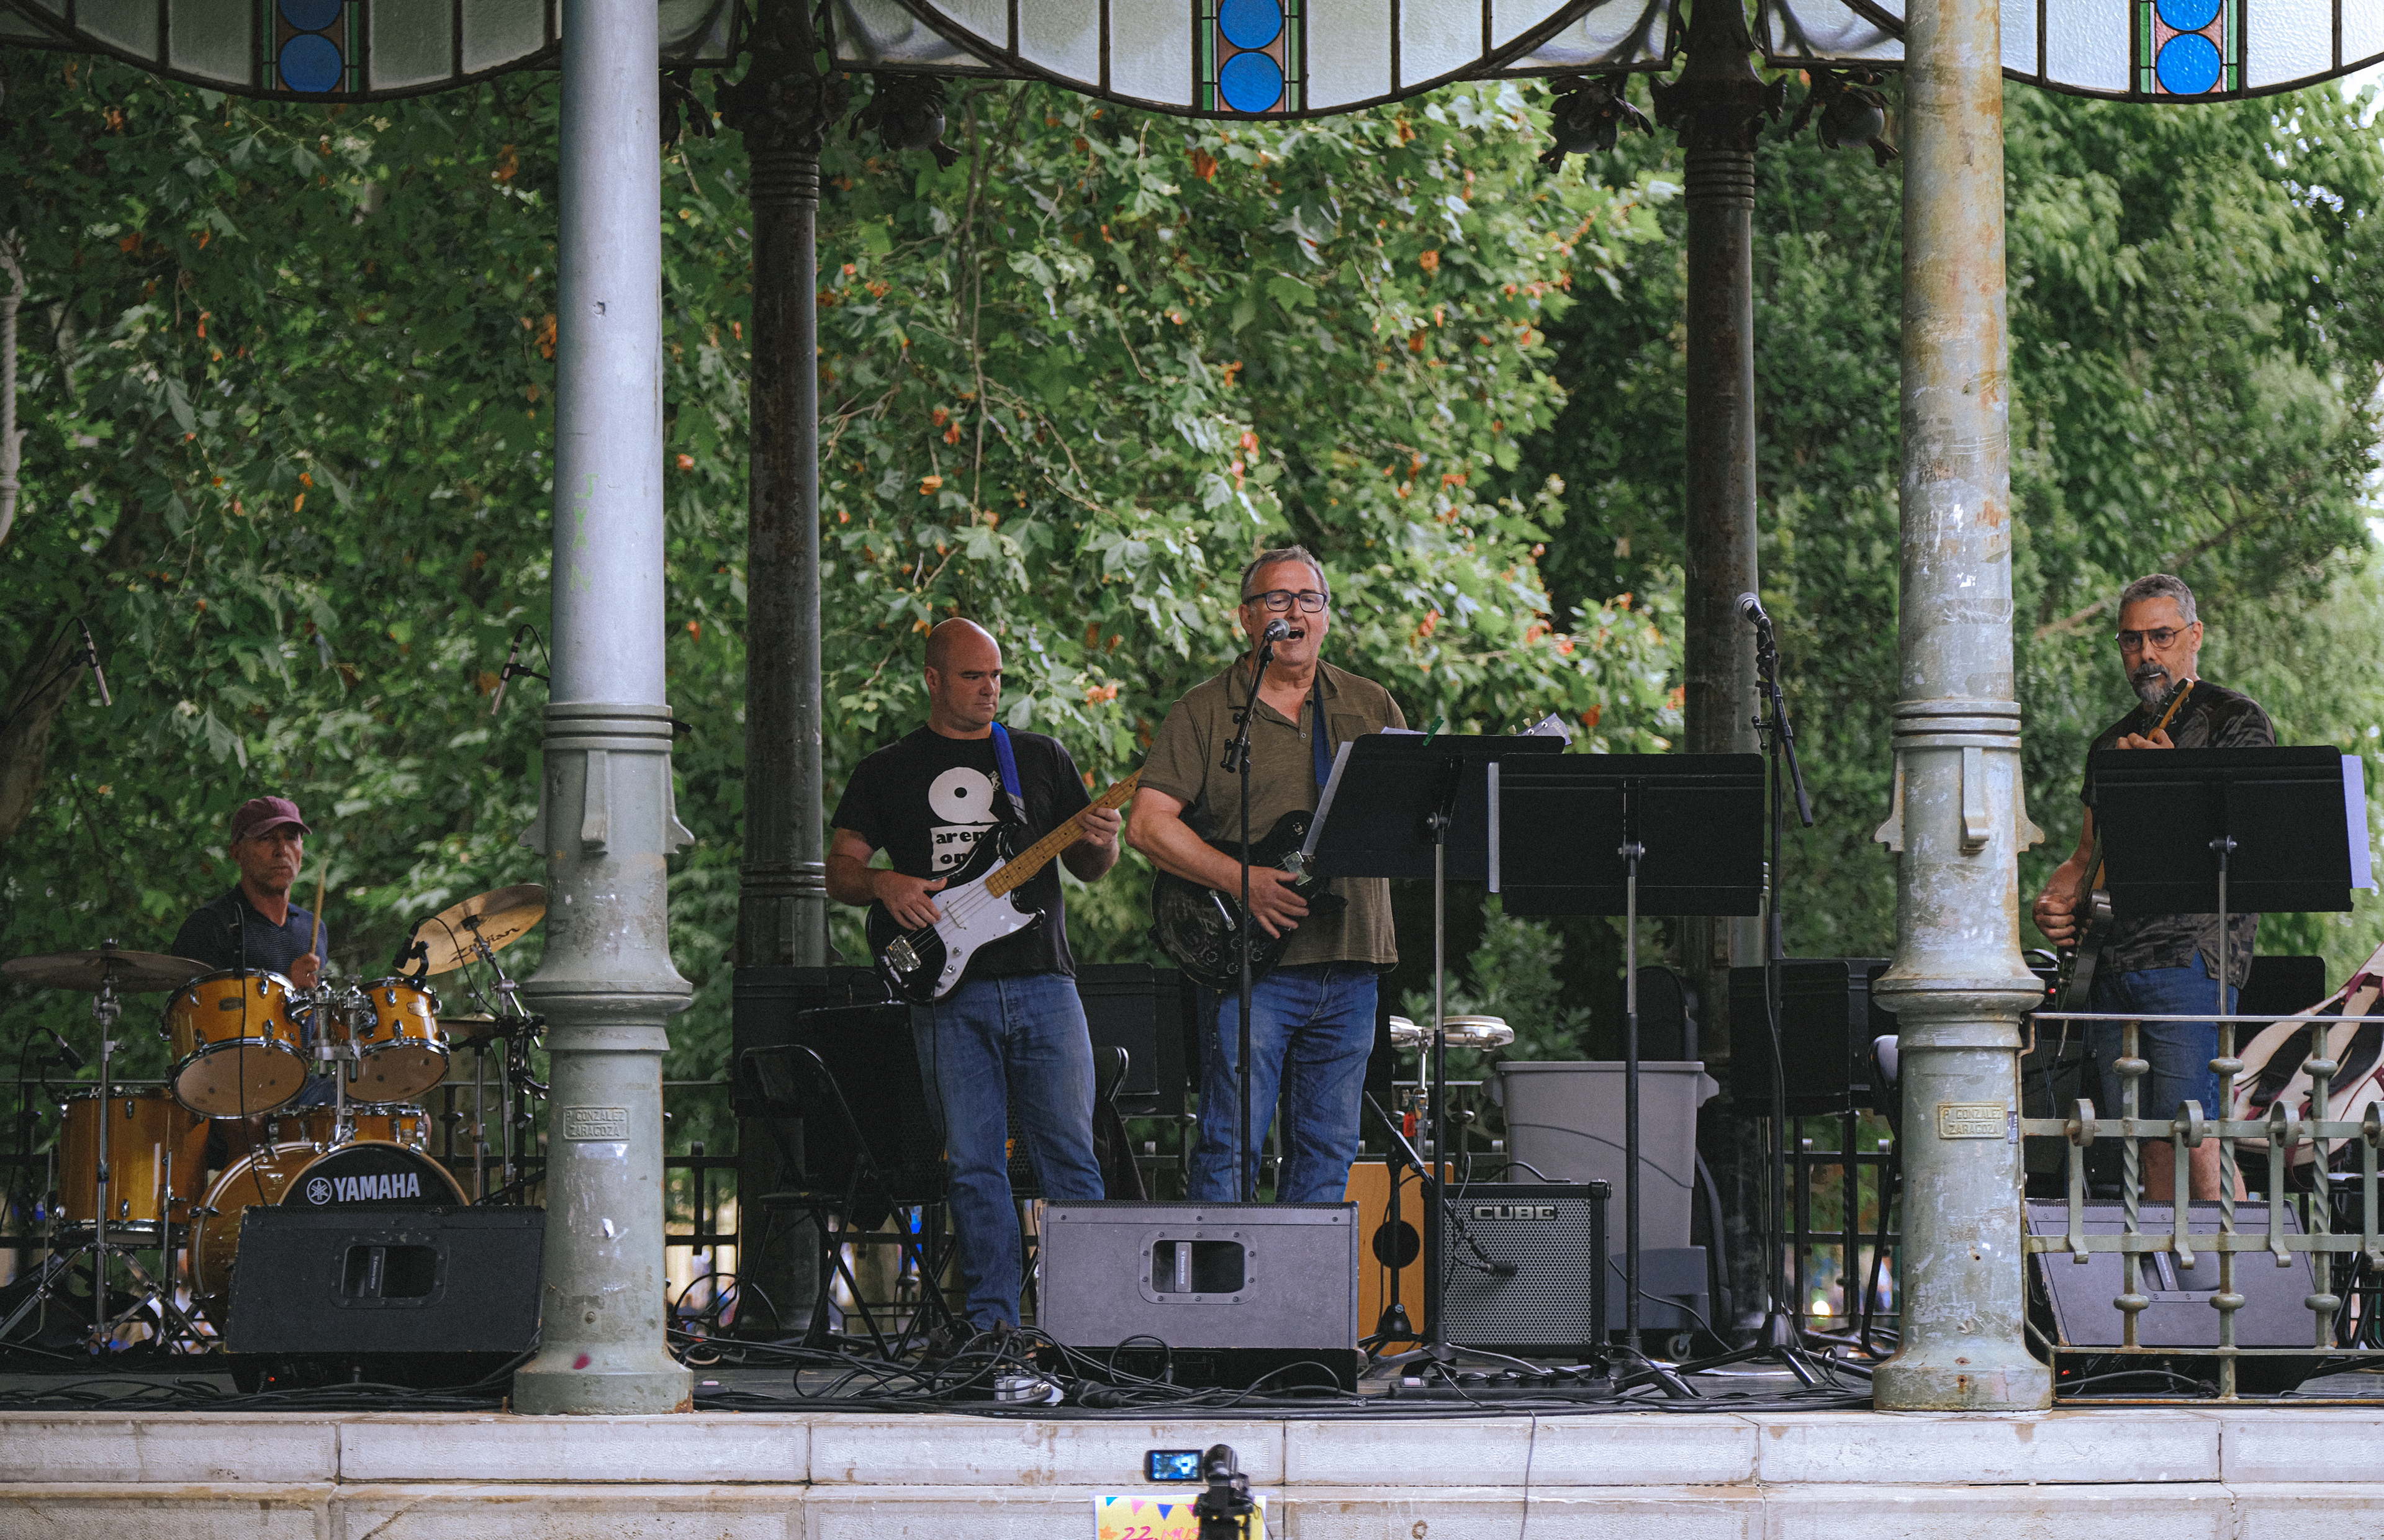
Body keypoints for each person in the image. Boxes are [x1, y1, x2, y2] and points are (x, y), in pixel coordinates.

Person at [825, 617, 1122, 1335]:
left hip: (1045, 981)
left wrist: (1104, 843)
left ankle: (1088, 1328)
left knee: (1071, 1159)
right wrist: (887, 884)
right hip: (947, 992)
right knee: (974, 1167)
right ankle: (991, 1330)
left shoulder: (1039, 757)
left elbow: (1086, 865)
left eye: (997, 676)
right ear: (932, 680)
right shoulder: (887, 769)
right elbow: (840, 869)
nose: (991, 689)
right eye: (972, 676)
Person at [1128, 544, 1406, 1203]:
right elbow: (1147, 824)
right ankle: (1221, 1300)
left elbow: (1410, 813)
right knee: (1231, 1145)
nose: (1294, 613)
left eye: (1309, 600)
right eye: (1276, 601)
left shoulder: (1370, 703)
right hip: (1252, 965)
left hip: (1352, 959)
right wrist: (1239, 880)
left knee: (1330, 1149)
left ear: (1327, 617)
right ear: (1248, 620)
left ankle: (1301, 1305)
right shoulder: (1203, 711)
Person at [2031, 574, 2274, 1199]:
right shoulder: (2109, 743)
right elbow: (2086, 855)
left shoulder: (2234, 719)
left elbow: (2253, 842)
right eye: (2132, 641)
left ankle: (2237, 1285)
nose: (2147, 654)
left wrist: (2172, 784)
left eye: (2161, 637)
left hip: (2192, 957)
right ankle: (2167, 1290)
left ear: (2194, 636)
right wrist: (2057, 901)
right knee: (2142, 1143)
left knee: (2197, 1133)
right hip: (2112, 961)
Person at [171, 795, 327, 990]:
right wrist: (285, 989)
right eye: (266, 838)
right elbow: (197, 1017)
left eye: (290, 837)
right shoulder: (209, 927)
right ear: (237, 854)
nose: (282, 850)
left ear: (301, 849)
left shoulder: (312, 928)